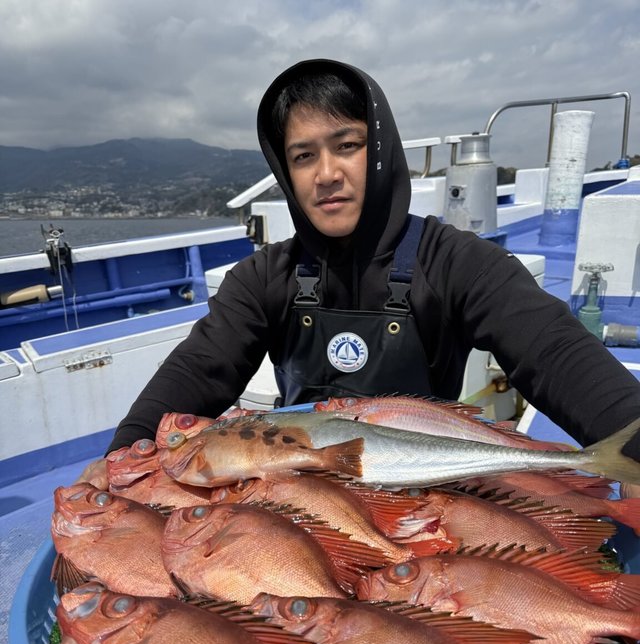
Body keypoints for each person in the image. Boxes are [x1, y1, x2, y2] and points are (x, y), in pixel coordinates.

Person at [93, 58, 640, 495]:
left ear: (379, 150)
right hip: (303, 487)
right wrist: (120, 462)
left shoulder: (456, 262)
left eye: (347, 145)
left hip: (428, 490)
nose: (327, 174)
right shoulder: (263, 277)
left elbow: (553, 352)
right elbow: (196, 371)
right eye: (303, 156)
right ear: (286, 173)